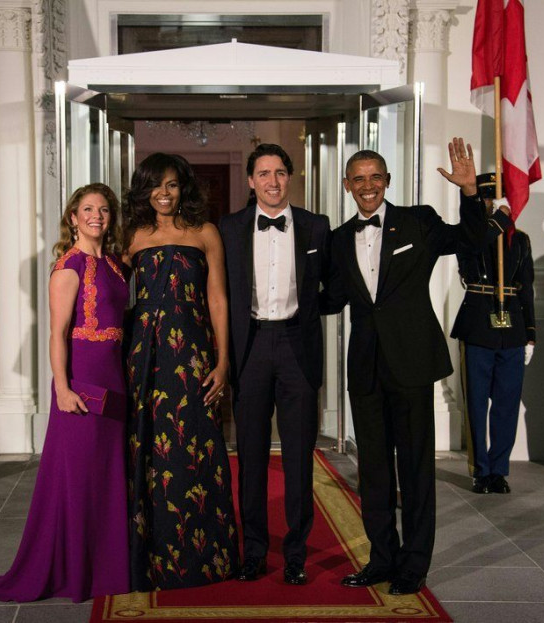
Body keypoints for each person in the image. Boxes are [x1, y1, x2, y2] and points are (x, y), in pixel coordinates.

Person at [322, 140, 513, 595]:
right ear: (348, 186)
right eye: (359, 179)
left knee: (414, 470)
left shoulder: (419, 221)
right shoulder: (337, 239)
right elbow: (329, 300)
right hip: (365, 368)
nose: (367, 186)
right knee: (373, 470)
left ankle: (413, 564)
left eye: (375, 177)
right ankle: (382, 558)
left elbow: (472, 238)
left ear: (387, 181)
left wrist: (470, 194)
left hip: (411, 363)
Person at [0, 183, 130, 602]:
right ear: (72, 217)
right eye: (88, 209)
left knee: (108, 475)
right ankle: (74, 571)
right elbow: (57, 335)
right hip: (83, 379)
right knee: (79, 477)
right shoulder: (67, 268)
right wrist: (63, 388)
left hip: (114, 376)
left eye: (104, 210)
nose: (97, 216)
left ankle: (106, 567)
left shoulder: (116, 263)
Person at [124, 153, 239, 591]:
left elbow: (218, 300)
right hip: (144, 356)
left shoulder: (206, 232)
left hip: (192, 353)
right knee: (149, 451)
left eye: (172, 184)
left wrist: (222, 362)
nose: (165, 193)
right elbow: (113, 293)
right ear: (145, 190)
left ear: (183, 188)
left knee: (195, 449)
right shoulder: (133, 236)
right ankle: (149, 559)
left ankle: (202, 559)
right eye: (157, 185)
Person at [219, 143, 332, 586]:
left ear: (291, 177)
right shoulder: (228, 228)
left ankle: (297, 555)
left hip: (295, 347)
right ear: (250, 180)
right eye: (263, 173)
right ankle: (254, 552)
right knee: (249, 457)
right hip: (249, 349)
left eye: (280, 173)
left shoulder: (316, 227)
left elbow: (336, 284)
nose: (272, 181)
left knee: (300, 457)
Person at [450, 172, 536, 495]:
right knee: (476, 404)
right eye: (485, 197)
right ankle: (480, 470)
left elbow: (526, 288)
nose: (490, 202)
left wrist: (530, 333)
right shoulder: (469, 235)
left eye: (495, 197)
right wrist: (496, 223)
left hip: (511, 327)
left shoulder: (521, 240)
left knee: (506, 404)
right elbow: (472, 251)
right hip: (478, 324)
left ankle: (499, 470)